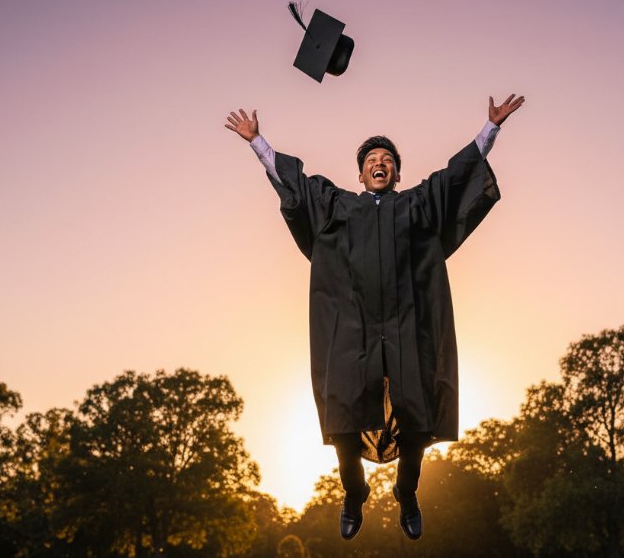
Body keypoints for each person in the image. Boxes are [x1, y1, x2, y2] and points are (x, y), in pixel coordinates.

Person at [224, 95, 524, 540]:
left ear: (397, 174)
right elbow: (298, 186)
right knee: (342, 411)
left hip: (406, 327)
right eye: (371, 160)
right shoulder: (339, 206)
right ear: (361, 173)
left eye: (387, 160)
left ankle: (407, 492)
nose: (379, 163)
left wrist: (490, 130)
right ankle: (353, 491)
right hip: (353, 330)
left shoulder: (417, 204)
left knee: (418, 412)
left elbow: (453, 178)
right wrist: (257, 143)